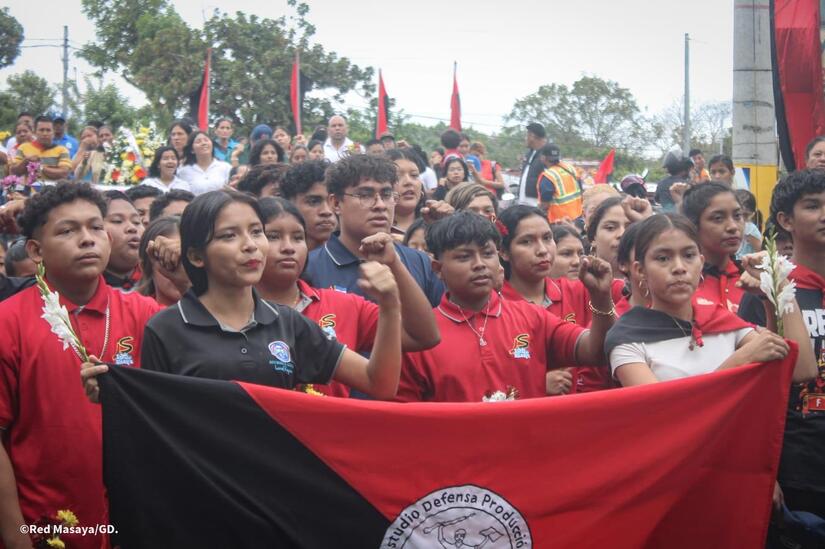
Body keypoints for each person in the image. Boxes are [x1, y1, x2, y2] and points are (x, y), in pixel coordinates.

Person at [84, 190, 403, 400]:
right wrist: (112, 391)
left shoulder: (288, 323)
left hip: (275, 493)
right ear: (196, 256)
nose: (250, 245)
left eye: (256, 232)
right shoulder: (166, 328)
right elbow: (154, 417)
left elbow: (380, 384)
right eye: (229, 235)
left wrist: (389, 305)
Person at [0, 183, 162, 549]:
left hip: (136, 521)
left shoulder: (147, 315)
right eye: (68, 230)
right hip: (46, 526)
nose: (87, 239)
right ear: (36, 250)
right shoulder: (7, 322)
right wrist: (16, 536)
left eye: (96, 227)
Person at [396, 212, 615, 402]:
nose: (480, 264)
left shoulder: (531, 317)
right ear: (437, 269)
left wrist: (601, 297)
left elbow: (596, 351)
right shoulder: (420, 337)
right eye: (464, 257)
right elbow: (407, 418)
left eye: (487, 253)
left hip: (529, 448)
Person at [255, 197, 439, 396]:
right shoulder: (234, 311)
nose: (288, 247)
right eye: (273, 236)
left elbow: (424, 336)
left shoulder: (342, 305)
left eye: (298, 237)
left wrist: (393, 273)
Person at [606, 213, 814, 386]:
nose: (679, 267)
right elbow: (665, 414)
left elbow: (801, 370)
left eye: (689, 255)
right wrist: (739, 361)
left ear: (701, 262)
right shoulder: (627, 339)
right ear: (640, 270)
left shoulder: (720, 321)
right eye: (663, 258)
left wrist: (777, 283)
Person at [739, 169, 825, 519]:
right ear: (785, 220)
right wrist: (763, 470)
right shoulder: (765, 289)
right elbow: (753, 388)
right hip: (796, 463)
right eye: (813, 206)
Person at [306, 154, 444, 306]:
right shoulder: (309, 268)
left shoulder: (421, 262)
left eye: (386, 194)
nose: (380, 205)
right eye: (365, 195)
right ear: (336, 203)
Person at [681, 182, 746, 312]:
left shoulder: (752, 279)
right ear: (694, 225)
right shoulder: (681, 281)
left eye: (737, 216)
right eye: (718, 218)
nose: (733, 227)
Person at [281, 160, 336, 250]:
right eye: (313, 201)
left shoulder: (360, 257)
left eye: (333, 201)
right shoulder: (270, 259)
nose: (327, 211)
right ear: (289, 204)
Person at [136, 216, 185, 306]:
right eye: (167, 259)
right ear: (144, 267)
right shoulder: (135, 313)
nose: (181, 270)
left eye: (185, 260)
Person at [101, 190, 144, 292]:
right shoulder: (82, 289)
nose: (132, 228)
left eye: (136, 222)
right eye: (117, 221)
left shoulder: (161, 281)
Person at [11, 116, 71, 181]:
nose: (45, 133)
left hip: (53, 190)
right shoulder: (23, 147)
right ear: (34, 132)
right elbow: (14, 172)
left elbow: (64, 173)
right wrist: (26, 161)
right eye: (41, 130)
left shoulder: (62, 150)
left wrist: (40, 167)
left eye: (48, 130)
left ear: (53, 132)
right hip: (29, 190)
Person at [536, 143, 583, 223]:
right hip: (578, 217)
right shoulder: (571, 168)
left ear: (543, 158)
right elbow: (580, 189)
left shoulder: (548, 176)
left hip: (560, 222)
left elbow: (545, 205)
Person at [177, 130, 232, 195]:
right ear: (192, 150)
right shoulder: (183, 171)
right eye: (198, 141)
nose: (203, 143)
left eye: (206, 140)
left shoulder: (225, 167)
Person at [386, 148, 425, 237]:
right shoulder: (371, 229)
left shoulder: (435, 225)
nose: (408, 182)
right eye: (398, 176)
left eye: (414, 175)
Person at [517, 122, 547, 207]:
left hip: (536, 205)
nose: (525, 138)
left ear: (532, 136)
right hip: (523, 203)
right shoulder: (529, 154)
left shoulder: (546, 155)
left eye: (527, 135)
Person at [735, 189, 762, 258]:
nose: (742, 219)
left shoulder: (750, 229)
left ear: (752, 214)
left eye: (745, 215)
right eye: (737, 215)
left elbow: (761, 252)